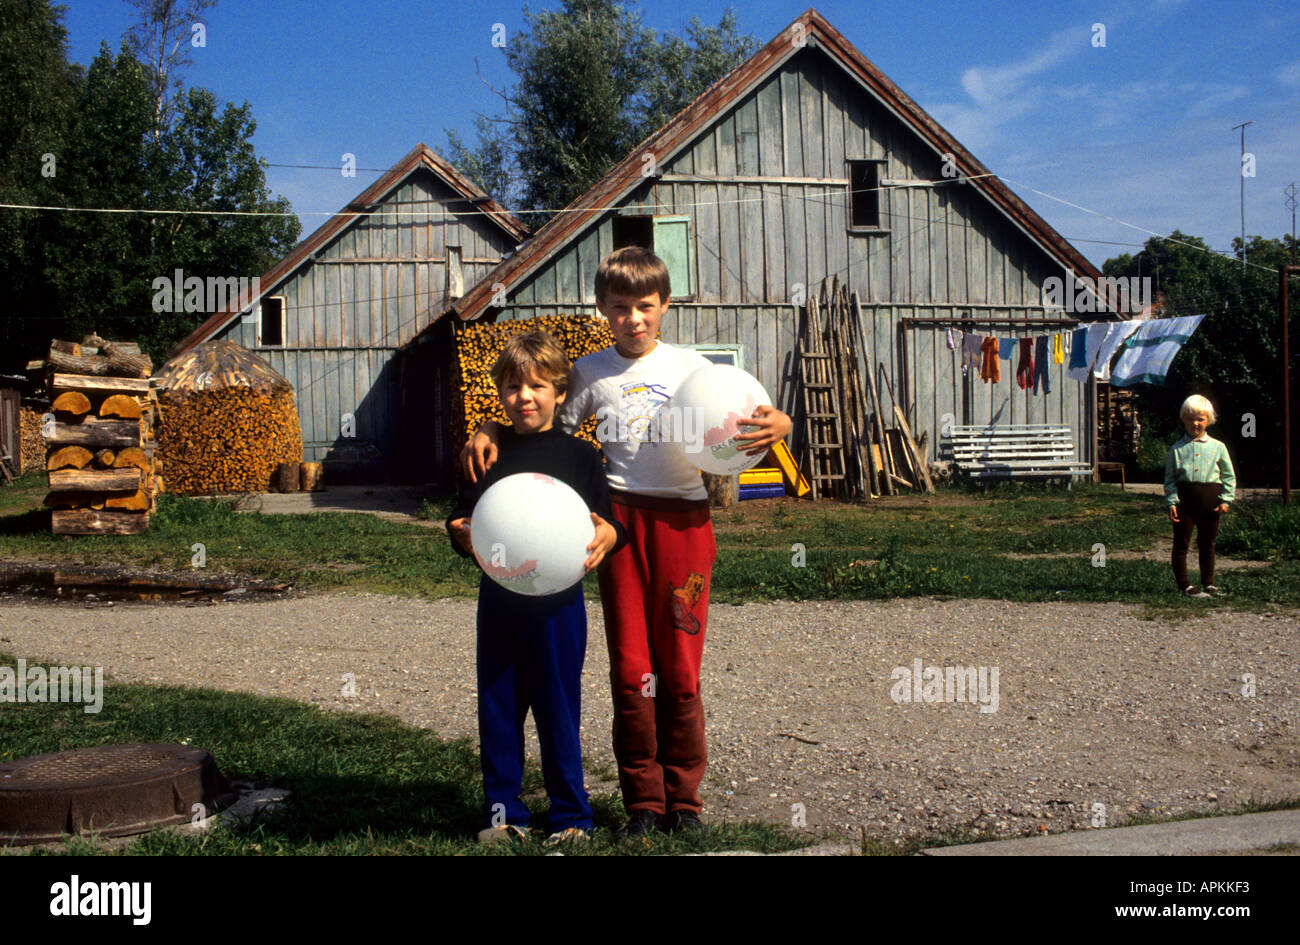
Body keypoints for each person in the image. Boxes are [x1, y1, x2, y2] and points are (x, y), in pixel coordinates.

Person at [462, 246, 792, 837]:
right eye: (619, 308)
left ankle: (684, 802)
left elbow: (748, 416)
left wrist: (783, 423)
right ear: (601, 310)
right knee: (633, 669)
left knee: (681, 671)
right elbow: (536, 429)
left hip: (684, 527)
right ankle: (643, 801)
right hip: (615, 527)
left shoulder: (695, 368)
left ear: (665, 304)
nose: (633, 319)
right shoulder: (588, 372)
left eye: (645, 306)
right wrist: (488, 424)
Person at [446, 330, 626, 845]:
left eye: (536, 386)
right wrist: (460, 535)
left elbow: (606, 520)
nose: (523, 397)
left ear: (560, 392)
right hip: (500, 602)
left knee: (558, 705)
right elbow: (464, 516)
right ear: (500, 393)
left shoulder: (581, 458)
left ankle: (571, 815)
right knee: (499, 706)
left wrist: (611, 533)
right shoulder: (488, 452)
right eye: (512, 388)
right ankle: (503, 814)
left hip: (559, 605)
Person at [1164, 393, 1235, 599]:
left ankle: (1208, 583)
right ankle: (1184, 585)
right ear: (1183, 419)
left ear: (1208, 420)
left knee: (1208, 543)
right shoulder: (1176, 449)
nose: (1195, 423)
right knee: (1181, 543)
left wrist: (1226, 500)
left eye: (1200, 419)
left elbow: (1229, 475)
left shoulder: (1218, 447)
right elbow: (1170, 479)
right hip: (1185, 504)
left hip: (1211, 504)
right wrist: (1171, 502)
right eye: (1190, 418)